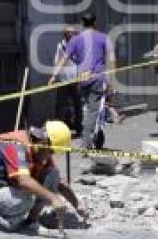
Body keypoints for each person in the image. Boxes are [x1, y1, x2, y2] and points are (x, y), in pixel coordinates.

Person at [0, 120, 87, 233]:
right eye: (51, 151)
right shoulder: (14, 143)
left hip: (11, 190)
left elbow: (58, 182)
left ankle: (31, 222)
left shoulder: (40, 148)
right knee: (26, 199)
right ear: (44, 142)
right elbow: (23, 181)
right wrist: (53, 198)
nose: (51, 155)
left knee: (52, 175)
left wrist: (76, 204)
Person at [49, 13, 115, 149]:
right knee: (93, 110)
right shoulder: (103, 38)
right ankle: (86, 141)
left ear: (82, 23)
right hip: (97, 78)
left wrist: (54, 76)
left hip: (82, 79)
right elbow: (111, 60)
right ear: (95, 23)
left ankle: (93, 135)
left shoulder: (75, 40)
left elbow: (63, 58)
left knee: (87, 109)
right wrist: (110, 81)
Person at [53, 25, 82, 135]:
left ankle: (78, 127)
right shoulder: (60, 46)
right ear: (65, 34)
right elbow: (56, 62)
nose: (73, 34)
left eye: (74, 33)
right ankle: (59, 130)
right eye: (71, 33)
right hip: (63, 80)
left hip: (75, 79)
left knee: (77, 104)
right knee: (61, 105)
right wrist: (56, 76)